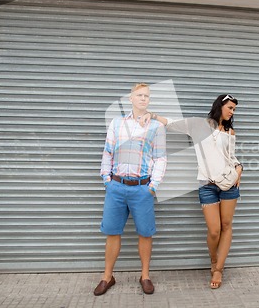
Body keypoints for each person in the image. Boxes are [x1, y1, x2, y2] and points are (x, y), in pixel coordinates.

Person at [145, 94, 243, 289]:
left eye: (234, 109)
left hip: (229, 184)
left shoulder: (230, 131)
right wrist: (153, 115)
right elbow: (172, 123)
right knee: (214, 230)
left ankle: (218, 269)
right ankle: (213, 259)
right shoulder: (199, 125)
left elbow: (231, 156)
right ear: (220, 106)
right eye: (230, 107)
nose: (232, 112)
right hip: (207, 184)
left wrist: (239, 168)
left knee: (226, 225)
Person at [93, 83, 167, 296]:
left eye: (146, 96)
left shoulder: (156, 127)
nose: (143, 99)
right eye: (139, 95)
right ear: (130, 98)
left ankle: (145, 275)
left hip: (142, 188)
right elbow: (108, 152)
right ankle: (107, 276)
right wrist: (107, 180)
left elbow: (160, 157)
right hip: (116, 187)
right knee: (112, 232)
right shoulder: (116, 123)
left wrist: (153, 187)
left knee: (145, 233)